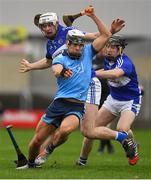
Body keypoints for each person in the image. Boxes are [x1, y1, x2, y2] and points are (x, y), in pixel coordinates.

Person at [17, 8, 136, 169]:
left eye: (49, 25)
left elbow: (96, 37)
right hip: (69, 89)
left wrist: (106, 27)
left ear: (56, 23)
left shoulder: (70, 32)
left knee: (87, 131)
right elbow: (50, 62)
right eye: (43, 27)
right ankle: (46, 154)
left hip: (89, 84)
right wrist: (32, 66)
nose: (46, 29)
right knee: (61, 132)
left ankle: (119, 139)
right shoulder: (51, 45)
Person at [77, 35, 141, 166]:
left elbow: (115, 73)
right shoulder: (107, 59)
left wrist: (92, 74)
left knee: (122, 128)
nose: (109, 49)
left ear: (120, 49)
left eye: (113, 47)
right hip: (112, 99)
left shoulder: (125, 62)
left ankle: (131, 145)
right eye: (108, 46)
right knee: (90, 130)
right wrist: (91, 72)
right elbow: (106, 70)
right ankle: (82, 161)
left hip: (130, 101)